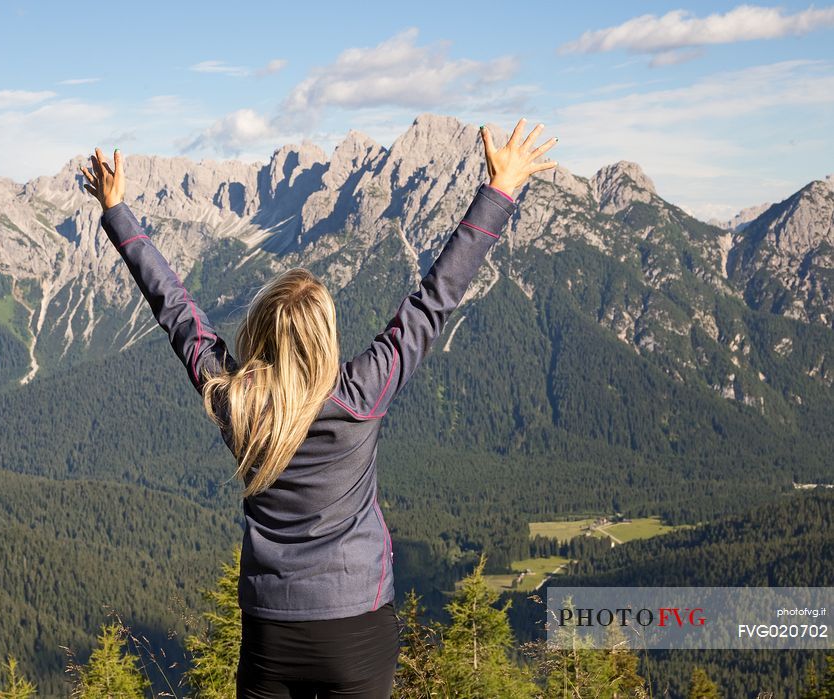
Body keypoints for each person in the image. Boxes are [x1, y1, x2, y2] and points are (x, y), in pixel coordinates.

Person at [80, 118, 558, 699]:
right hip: (357, 626)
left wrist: (116, 211)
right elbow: (435, 299)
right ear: (324, 336)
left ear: (259, 333)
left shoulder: (237, 400)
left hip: (270, 633)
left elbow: (176, 310)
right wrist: (499, 191)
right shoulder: (362, 394)